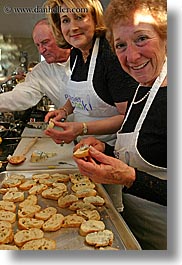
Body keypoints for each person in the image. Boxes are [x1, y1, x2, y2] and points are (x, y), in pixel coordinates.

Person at [73, 0, 167, 250]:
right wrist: (103, 150)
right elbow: (148, 151)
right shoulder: (140, 89)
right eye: (121, 45)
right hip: (134, 234)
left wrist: (129, 177)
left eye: (142, 39)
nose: (132, 56)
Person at [44, 0, 138, 146]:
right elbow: (80, 96)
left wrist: (82, 128)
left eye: (80, 17)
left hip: (113, 148)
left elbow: (128, 116)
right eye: (66, 20)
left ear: (95, 18)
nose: (73, 27)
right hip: (84, 144)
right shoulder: (76, 53)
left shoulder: (110, 56)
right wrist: (63, 111)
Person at [0, 18, 71, 112]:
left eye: (45, 42)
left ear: (61, 37)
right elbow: (22, 96)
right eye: (37, 45)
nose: (41, 50)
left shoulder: (86, 60)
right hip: (69, 124)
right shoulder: (41, 71)